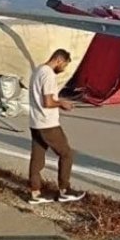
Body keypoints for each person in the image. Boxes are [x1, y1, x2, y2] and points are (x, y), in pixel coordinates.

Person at [27, 49, 86, 204]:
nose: (64, 69)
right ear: (59, 60)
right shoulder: (48, 74)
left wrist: (57, 101)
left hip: (36, 122)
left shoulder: (38, 71)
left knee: (37, 158)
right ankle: (65, 190)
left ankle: (35, 193)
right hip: (48, 124)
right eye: (65, 65)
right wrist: (62, 103)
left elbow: (43, 98)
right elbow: (48, 102)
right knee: (66, 154)